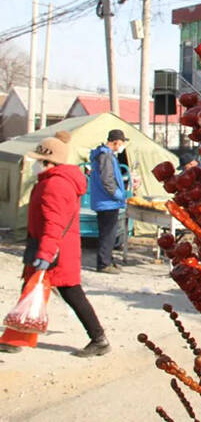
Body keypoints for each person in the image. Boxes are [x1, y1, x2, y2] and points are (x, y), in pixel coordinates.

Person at [0, 132, 110, 356]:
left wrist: (46, 253)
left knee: (71, 294)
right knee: (31, 290)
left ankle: (99, 339)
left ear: (48, 162)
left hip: (54, 251)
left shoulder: (55, 185)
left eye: (37, 161)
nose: (34, 165)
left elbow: (54, 223)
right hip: (55, 248)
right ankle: (15, 337)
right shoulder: (56, 181)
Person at [89, 129, 129, 273]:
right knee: (108, 233)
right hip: (108, 201)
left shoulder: (103, 154)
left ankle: (108, 260)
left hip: (105, 200)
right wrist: (119, 195)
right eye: (122, 143)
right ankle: (104, 264)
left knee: (108, 233)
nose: (122, 146)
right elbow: (107, 180)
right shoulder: (106, 156)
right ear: (116, 142)